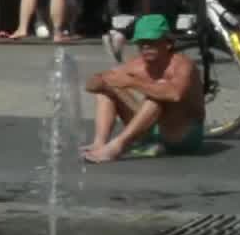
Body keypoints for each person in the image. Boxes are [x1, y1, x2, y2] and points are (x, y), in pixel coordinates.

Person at [82, 14, 205, 163]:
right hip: (152, 129)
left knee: (159, 91)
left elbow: (174, 94)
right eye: (141, 43)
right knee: (106, 91)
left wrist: (132, 82)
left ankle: (117, 146)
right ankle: (99, 143)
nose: (145, 47)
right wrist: (101, 81)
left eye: (151, 42)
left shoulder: (183, 65)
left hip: (181, 135)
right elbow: (91, 85)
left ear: (168, 43)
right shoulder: (137, 65)